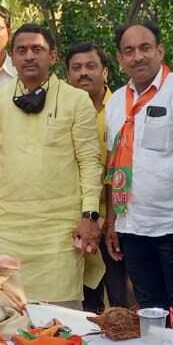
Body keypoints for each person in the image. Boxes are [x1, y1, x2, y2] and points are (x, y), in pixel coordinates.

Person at [0, 24, 101, 309]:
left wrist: (90, 215)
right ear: (12, 58)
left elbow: (90, 162)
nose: (29, 56)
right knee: (6, 314)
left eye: (37, 49)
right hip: (8, 228)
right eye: (21, 50)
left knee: (63, 319)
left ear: (52, 55)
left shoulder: (77, 101)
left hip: (60, 231)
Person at [103, 23, 173, 331]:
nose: (138, 56)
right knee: (149, 311)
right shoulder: (116, 101)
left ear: (160, 51)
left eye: (145, 48)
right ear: (120, 59)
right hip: (132, 227)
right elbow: (114, 162)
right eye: (129, 51)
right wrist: (113, 221)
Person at [66, 41, 130, 311]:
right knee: (86, 304)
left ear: (105, 72)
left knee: (123, 302)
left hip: (118, 219)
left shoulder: (123, 108)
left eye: (91, 66)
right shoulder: (60, 111)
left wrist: (109, 217)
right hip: (77, 221)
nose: (83, 73)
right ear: (68, 75)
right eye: (76, 68)